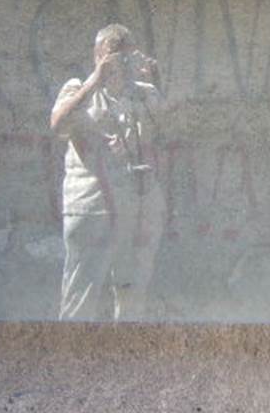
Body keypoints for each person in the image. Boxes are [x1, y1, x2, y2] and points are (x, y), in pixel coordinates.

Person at [49, 24, 165, 321]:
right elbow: (58, 125)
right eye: (114, 57)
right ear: (97, 56)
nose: (121, 66)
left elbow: (162, 130)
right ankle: (68, 353)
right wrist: (95, 81)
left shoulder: (143, 93)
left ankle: (127, 356)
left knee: (133, 290)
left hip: (137, 203)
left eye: (127, 57)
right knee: (81, 291)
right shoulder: (78, 89)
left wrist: (154, 80)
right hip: (92, 206)